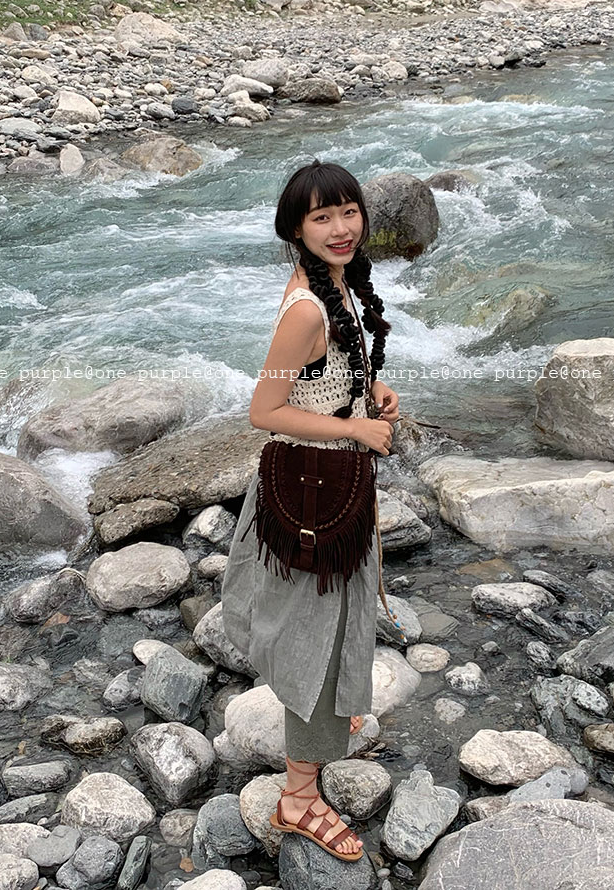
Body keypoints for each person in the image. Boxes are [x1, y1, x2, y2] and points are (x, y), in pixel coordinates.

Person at [221, 158, 400, 862]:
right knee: (314, 638)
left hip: (330, 485)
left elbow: (321, 375)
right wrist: (355, 427)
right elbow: (265, 409)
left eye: (349, 211)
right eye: (322, 217)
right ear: (295, 229)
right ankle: (298, 796)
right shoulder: (305, 309)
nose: (341, 227)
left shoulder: (335, 281)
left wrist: (369, 390)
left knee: (330, 623)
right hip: (309, 497)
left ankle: (326, 721)